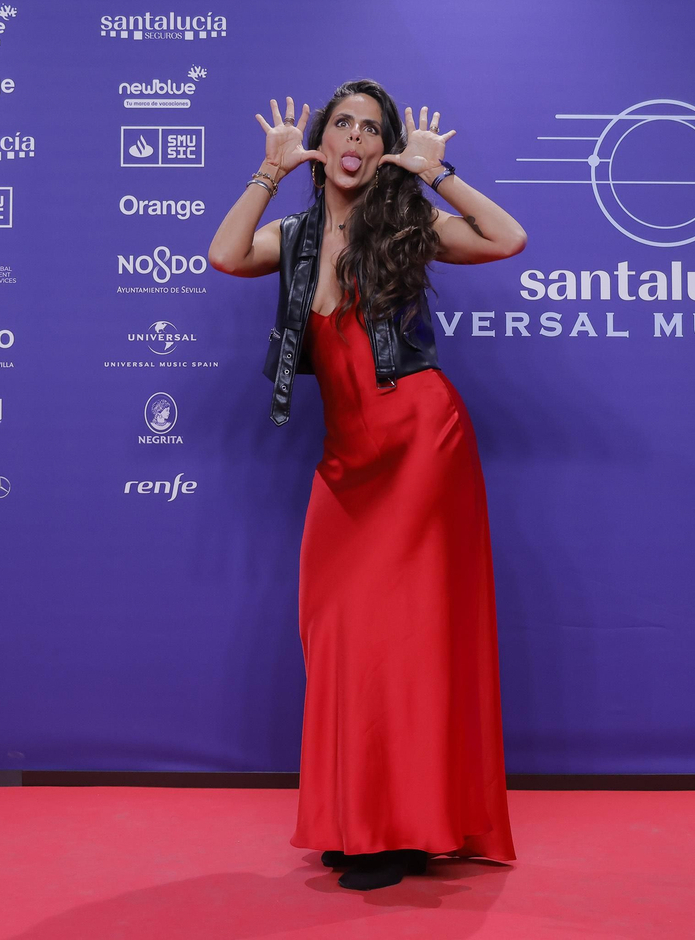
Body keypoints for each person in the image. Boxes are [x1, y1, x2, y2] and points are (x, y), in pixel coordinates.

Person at [208, 80, 527, 891]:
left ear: (384, 150)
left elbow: (507, 236)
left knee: (407, 636)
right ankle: (358, 818)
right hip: (347, 461)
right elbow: (224, 254)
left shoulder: (406, 226)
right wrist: (268, 172)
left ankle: (406, 830)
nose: (356, 136)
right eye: (342, 123)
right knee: (342, 635)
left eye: (372, 129)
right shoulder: (297, 233)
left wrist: (435, 171)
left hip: (421, 442)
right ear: (323, 140)